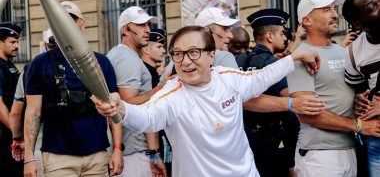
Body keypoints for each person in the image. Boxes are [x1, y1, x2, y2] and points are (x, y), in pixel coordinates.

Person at [92, 25, 322, 177]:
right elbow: (147, 118)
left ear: (211, 55)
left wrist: (296, 56)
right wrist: (121, 108)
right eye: (178, 54)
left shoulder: (228, 78)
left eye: (193, 52)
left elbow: (262, 77)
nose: (185, 61)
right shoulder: (172, 93)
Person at [24, 1, 123, 177]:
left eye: (71, 20)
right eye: (60, 21)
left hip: (97, 155)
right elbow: (33, 112)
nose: (66, 26)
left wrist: (117, 149)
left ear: (82, 24)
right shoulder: (40, 64)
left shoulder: (101, 62)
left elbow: (113, 110)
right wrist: (29, 158)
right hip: (58, 157)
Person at [287, 0, 380, 177]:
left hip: (349, 149)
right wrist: (359, 125)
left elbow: (349, 90)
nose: (335, 14)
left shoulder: (345, 52)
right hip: (319, 154)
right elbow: (307, 115)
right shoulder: (300, 57)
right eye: (325, 10)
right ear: (307, 20)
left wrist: (358, 98)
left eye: (334, 9)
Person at [236, 8, 298, 177]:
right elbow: (288, 97)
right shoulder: (273, 63)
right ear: (270, 36)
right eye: (282, 33)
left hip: (241, 139)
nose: (284, 38)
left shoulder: (237, 60)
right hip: (270, 140)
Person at [107, 6, 166, 177]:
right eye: (141, 25)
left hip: (131, 149)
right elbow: (127, 105)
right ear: (125, 29)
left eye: (148, 25)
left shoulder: (123, 55)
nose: (147, 30)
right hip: (133, 150)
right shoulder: (127, 58)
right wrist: (160, 90)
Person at [342, 0, 380, 177]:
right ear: (358, 23)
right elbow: (359, 91)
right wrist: (358, 99)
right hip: (377, 137)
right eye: (373, 8)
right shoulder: (353, 53)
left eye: (378, 1)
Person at [9, 28, 55, 176]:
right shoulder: (80, 67)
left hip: (39, 144)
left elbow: (15, 113)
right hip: (75, 145)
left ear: (45, 45)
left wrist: (17, 139)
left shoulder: (30, 70)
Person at [140, 28, 173, 175]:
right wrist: (153, 154)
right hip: (146, 147)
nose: (163, 50)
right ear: (146, 49)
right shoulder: (144, 73)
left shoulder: (153, 74)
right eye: (159, 47)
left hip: (158, 145)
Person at [0, 22, 23, 177]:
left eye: (17, 42)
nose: (17, 46)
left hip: (12, 138)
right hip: (5, 138)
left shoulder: (10, 66)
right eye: (12, 42)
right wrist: (17, 135)